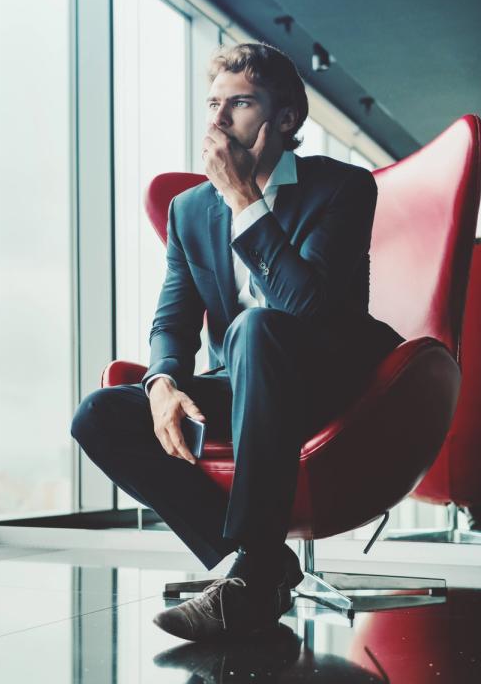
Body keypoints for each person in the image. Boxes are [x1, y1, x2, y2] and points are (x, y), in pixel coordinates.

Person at [70, 42, 403, 641]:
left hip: (328, 382)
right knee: (99, 414)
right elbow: (172, 321)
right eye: (213, 104)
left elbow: (307, 308)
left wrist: (244, 199)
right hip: (240, 383)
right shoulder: (189, 210)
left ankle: (250, 571)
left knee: (255, 327)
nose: (218, 120)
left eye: (240, 103)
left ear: (286, 119)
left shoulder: (344, 189)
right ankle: (254, 568)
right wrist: (163, 382)